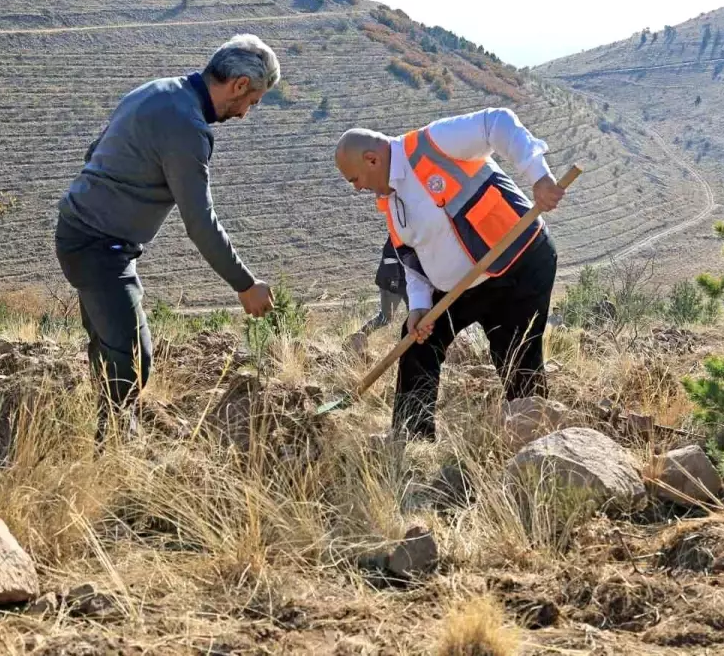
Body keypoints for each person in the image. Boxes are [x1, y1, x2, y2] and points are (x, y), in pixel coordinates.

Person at [55, 34, 279, 439]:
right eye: (252, 102)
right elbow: (200, 221)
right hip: (97, 246)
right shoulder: (188, 127)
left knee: (111, 348)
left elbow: (95, 151)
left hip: (85, 233)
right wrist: (245, 285)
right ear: (240, 85)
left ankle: (112, 434)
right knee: (134, 358)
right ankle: (112, 447)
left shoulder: (156, 90)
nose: (246, 113)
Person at [334, 107, 566, 441]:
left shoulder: (432, 144)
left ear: (372, 159)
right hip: (464, 285)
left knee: (517, 359)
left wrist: (539, 176)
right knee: (417, 341)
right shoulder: (391, 201)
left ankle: (538, 446)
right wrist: (418, 307)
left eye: (354, 180)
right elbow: (411, 258)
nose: (357, 188)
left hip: (519, 263)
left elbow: (497, 122)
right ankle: (413, 440)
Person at [359, 236, 410, 334]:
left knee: (418, 318)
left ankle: (414, 346)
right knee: (385, 319)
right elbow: (389, 257)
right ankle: (357, 339)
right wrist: (394, 283)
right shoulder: (400, 229)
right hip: (391, 283)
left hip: (409, 283)